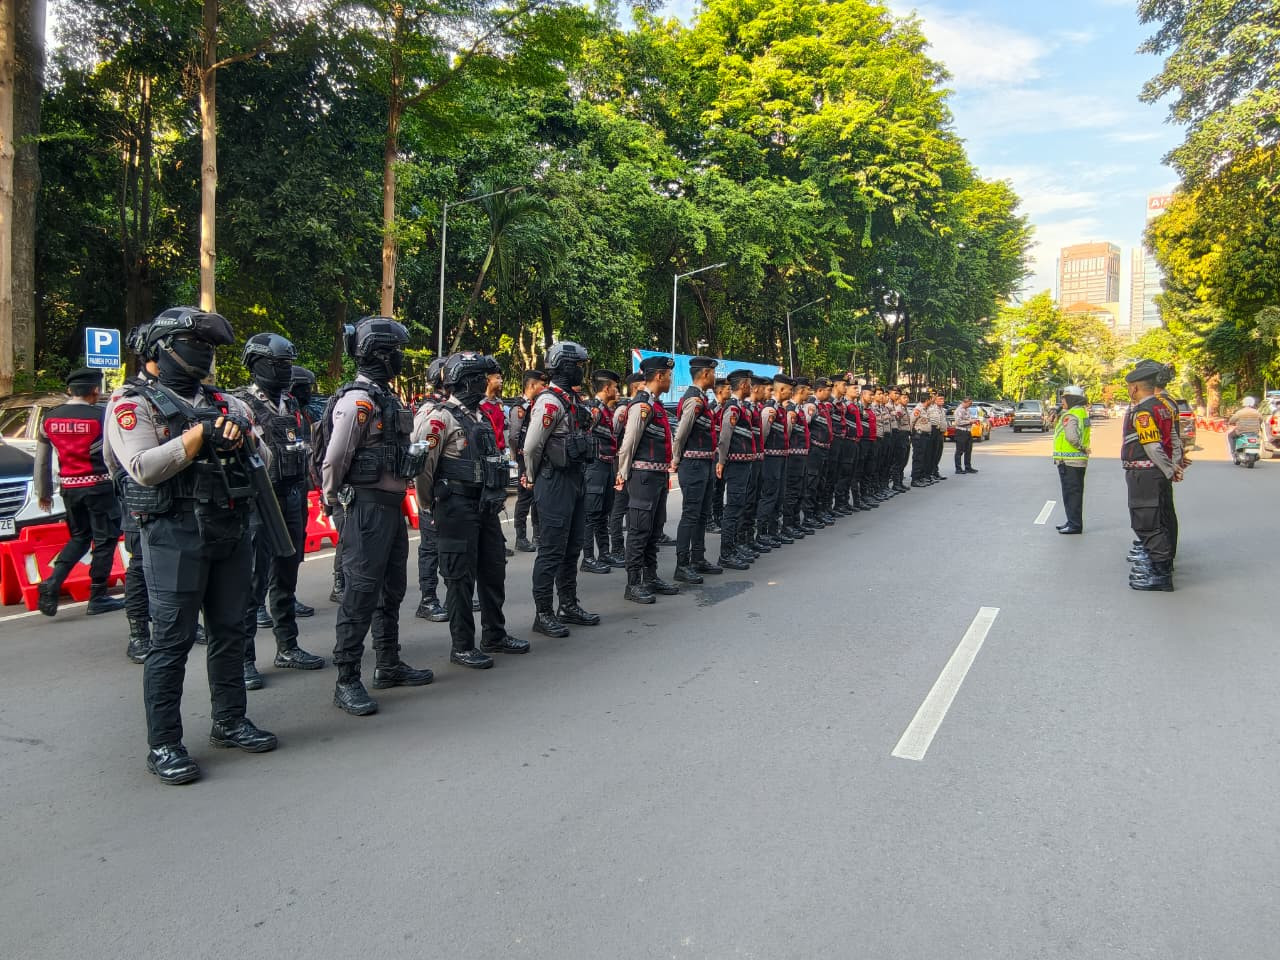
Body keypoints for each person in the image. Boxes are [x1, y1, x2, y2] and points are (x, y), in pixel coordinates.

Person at [104, 306, 277, 785]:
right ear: (160, 350)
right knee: (172, 640)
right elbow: (142, 467)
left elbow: (265, 458)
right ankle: (164, 743)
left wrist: (239, 437)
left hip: (229, 527)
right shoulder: (133, 403)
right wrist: (199, 435)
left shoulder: (230, 403)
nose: (204, 354)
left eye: (209, 347)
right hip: (172, 533)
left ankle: (230, 720)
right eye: (194, 345)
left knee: (231, 630)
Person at [322, 317, 434, 717]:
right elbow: (336, 457)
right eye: (396, 352)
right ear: (379, 354)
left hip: (390, 507)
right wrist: (333, 499)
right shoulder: (359, 401)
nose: (400, 358)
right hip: (366, 508)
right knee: (360, 593)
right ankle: (347, 679)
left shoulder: (386, 397)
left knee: (391, 589)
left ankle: (388, 663)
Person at [415, 352, 527, 668]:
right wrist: (428, 506)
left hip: (484, 506)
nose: (485, 382)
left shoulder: (480, 416)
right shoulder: (439, 417)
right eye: (479, 378)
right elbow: (423, 468)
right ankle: (462, 645)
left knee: (493, 570)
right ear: (465, 381)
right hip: (456, 506)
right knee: (459, 577)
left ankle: (495, 634)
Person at [234, 333, 326, 691]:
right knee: (252, 581)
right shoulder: (239, 404)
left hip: (293, 495)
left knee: (287, 574)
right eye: (279, 364)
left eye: (288, 364)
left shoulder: (290, 403)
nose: (286, 371)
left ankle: (287, 646)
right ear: (257, 364)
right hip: (260, 500)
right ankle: (243, 659)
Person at [521, 342, 601, 638]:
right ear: (565, 367)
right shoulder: (550, 402)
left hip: (575, 478)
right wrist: (532, 477)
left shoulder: (571, 400)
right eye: (578, 365)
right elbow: (531, 447)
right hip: (554, 481)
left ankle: (568, 604)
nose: (581, 370)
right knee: (551, 550)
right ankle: (543, 613)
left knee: (572, 546)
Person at [33, 367, 124, 617]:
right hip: (100, 487)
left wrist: (44, 493)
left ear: (69, 390)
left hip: (69, 489)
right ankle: (98, 595)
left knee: (79, 537)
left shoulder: (50, 418)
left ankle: (52, 582)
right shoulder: (101, 417)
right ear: (95, 390)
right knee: (105, 539)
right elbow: (113, 454)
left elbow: (42, 460)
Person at [110, 322, 161, 660]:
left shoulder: (179, 392)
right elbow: (113, 456)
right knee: (141, 565)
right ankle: (139, 632)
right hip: (142, 493)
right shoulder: (127, 396)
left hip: (178, 497)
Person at [615, 354, 679, 602]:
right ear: (659, 376)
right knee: (639, 530)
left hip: (657, 476)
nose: (670, 380)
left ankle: (650, 577)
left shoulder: (656, 405)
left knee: (654, 529)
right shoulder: (642, 406)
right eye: (669, 376)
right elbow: (628, 443)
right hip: (643, 477)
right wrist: (622, 474)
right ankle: (633, 583)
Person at [1122, 359, 1180, 591]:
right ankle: (1160, 569)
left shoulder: (1143, 412)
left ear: (1135, 387)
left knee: (1147, 522)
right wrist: (1174, 465)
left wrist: (1169, 470)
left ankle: (1160, 574)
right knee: (1160, 520)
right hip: (1155, 473)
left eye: (1130, 387)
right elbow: (1174, 439)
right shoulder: (1162, 407)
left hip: (1145, 474)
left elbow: (1152, 445)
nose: (1129, 390)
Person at [671, 356, 719, 582]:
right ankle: (682, 564)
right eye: (713, 373)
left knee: (701, 514)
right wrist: (675, 459)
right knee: (691, 514)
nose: (715, 377)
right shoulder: (694, 400)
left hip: (704, 463)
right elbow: (681, 433)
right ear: (705, 374)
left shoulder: (701, 399)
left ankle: (698, 558)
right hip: (693, 464)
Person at [413, 359, 450, 622]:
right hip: (433, 487)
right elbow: (420, 451)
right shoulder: (429, 410)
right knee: (430, 547)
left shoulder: (451, 408)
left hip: (450, 489)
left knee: (450, 544)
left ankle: (453, 593)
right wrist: (425, 499)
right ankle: (428, 599)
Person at [712, 369, 757, 572]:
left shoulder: (740, 407)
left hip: (744, 463)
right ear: (743, 385)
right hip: (736, 464)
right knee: (733, 508)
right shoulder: (732, 408)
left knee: (739, 506)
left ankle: (735, 547)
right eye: (749, 384)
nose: (751, 387)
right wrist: (721, 461)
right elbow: (724, 437)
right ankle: (726, 553)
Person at [582, 369, 620, 573]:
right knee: (591, 514)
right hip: (595, 467)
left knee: (603, 512)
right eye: (615, 387)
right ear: (606, 388)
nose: (617, 391)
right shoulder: (594, 410)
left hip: (606, 466)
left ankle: (604, 553)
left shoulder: (606, 410)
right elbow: (584, 436)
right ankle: (588, 558)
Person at [507, 370, 546, 552]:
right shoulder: (520, 408)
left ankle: (537, 535)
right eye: (541, 384)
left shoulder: (537, 405)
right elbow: (514, 437)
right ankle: (521, 537)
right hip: (524, 457)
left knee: (537, 497)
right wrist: (517, 456)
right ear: (531, 385)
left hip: (537, 457)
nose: (544, 388)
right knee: (524, 497)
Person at [608, 371, 645, 562]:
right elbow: (613, 435)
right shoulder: (624, 409)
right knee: (619, 506)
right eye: (643, 384)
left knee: (633, 506)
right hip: (621, 462)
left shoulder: (640, 405)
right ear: (635, 387)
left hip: (635, 464)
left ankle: (633, 545)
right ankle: (616, 547)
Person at [758, 374, 793, 544]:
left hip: (780, 457)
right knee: (770, 495)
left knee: (779, 495)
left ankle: (773, 530)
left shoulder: (780, 409)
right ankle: (762, 532)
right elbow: (763, 435)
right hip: (771, 458)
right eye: (789, 390)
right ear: (781, 389)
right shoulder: (770, 409)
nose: (791, 393)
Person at [1053, 386, 1091, 534]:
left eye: (1064, 398)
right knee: (1074, 493)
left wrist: (1081, 447)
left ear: (1072, 399)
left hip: (1070, 461)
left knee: (1071, 494)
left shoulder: (1071, 415)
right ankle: (1071, 521)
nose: (1062, 401)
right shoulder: (1081, 412)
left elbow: (1071, 437)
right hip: (1076, 460)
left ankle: (1074, 524)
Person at [1226, 396, 1263, 462]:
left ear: (1244, 403)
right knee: (1259, 439)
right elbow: (1261, 420)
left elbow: (1232, 420)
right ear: (1252, 403)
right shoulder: (1257, 412)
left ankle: (1233, 452)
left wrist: (1230, 423)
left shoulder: (1240, 412)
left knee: (1230, 436)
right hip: (1254, 432)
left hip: (1241, 431)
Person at [910, 396, 932, 488]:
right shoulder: (918, 409)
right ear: (927, 400)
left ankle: (920, 477)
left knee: (923, 457)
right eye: (930, 399)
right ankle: (915, 479)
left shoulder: (925, 409)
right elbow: (911, 422)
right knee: (918, 457)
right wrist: (911, 434)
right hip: (919, 436)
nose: (932, 401)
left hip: (925, 436)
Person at [952, 397, 978, 475]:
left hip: (968, 431)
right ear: (965, 402)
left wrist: (972, 421)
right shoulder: (959, 410)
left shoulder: (967, 410)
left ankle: (968, 467)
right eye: (970, 403)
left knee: (968, 450)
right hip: (961, 431)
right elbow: (958, 422)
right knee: (959, 451)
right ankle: (958, 468)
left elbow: (969, 419)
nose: (971, 405)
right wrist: (969, 422)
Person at [928, 394, 948, 482]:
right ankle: (930, 472)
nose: (942, 401)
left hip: (940, 432)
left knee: (938, 453)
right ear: (935, 400)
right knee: (932, 453)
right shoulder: (931, 409)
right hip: (934, 431)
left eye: (943, 399)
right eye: (940, 399)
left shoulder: (942, 410)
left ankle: (935, 471)